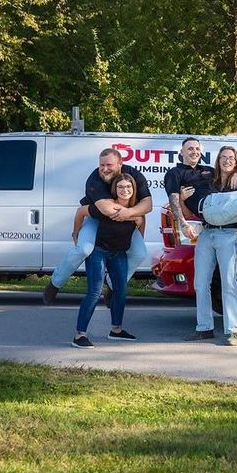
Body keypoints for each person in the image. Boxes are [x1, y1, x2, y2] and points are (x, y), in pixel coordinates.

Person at [44, 148, 152, 304]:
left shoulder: (134, 176)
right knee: (83, 249)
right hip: (97, 218)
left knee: (140, 253)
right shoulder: (95, 179)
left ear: (120, 164)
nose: (104, 169)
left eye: (109, 165)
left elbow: (148, 205)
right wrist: (135, 213)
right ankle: (55, 283)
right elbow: (107, 210)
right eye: (102, 165)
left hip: (125, 220)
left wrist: (133, 216)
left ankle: (112, 285)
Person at [184, 145, 237, 346]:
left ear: (236, 161)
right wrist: (182, 198)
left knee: (229, 283)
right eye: (223, 157)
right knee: (200, 283)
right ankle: (204, 328)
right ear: (218, 161)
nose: (227, 161)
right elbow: (194, 207)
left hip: (228, 234)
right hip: (206, 233)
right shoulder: (208, 181)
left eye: (231, 158)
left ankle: (234, 331)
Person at [71, 174, 145, 348]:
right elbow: (81, 211)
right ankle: (79, 335)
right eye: (120, 187)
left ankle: (116, 330)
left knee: (120, 291)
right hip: (98, 253)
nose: (125, 190)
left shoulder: (136, 210)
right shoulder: (107, 207)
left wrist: (137, 240)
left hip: (118, 254)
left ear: (133, 189)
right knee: (94, 292)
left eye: (128, 187)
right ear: (114, 190)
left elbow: (141, 222)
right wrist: (75, 233)